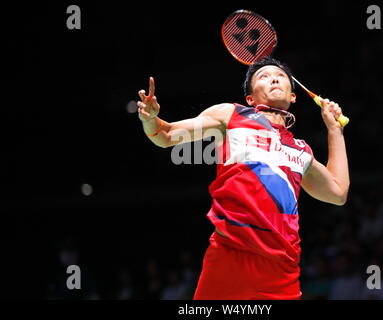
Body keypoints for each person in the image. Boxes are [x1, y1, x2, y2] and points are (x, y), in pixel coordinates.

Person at [137, 57, 349, 299]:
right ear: (250, 98)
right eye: (264, 76)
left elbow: (338, 193)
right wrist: (151, 119)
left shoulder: (301, 151)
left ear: (293, 96)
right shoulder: (231, 115)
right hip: (231, 253)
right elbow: (166, 135)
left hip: (282, 266)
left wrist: (335, 130)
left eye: (280, 76)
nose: (274, 78)